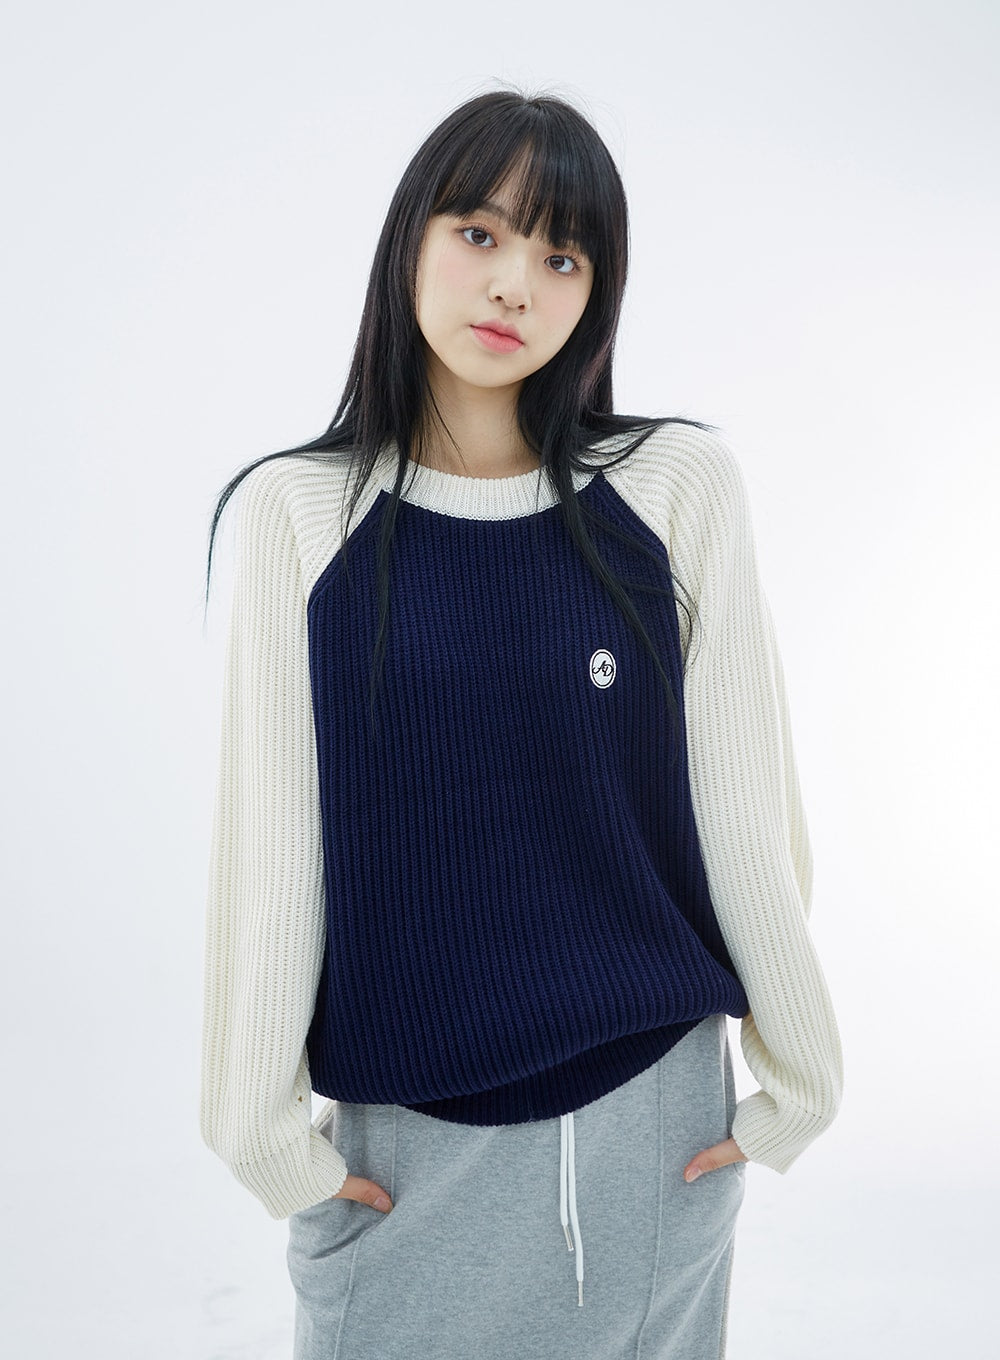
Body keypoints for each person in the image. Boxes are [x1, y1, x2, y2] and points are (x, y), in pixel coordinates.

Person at [200, 87, 843, 1360]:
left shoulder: (671, 486)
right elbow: (274, 847)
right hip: (406, 1150)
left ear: (596, 294)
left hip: (657, 1121)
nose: (514, 284)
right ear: (411, 240)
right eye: (480, 233)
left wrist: (800, 1081)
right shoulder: (303, 515)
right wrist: (264, 1140)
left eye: (562, 257)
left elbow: (745, 809)